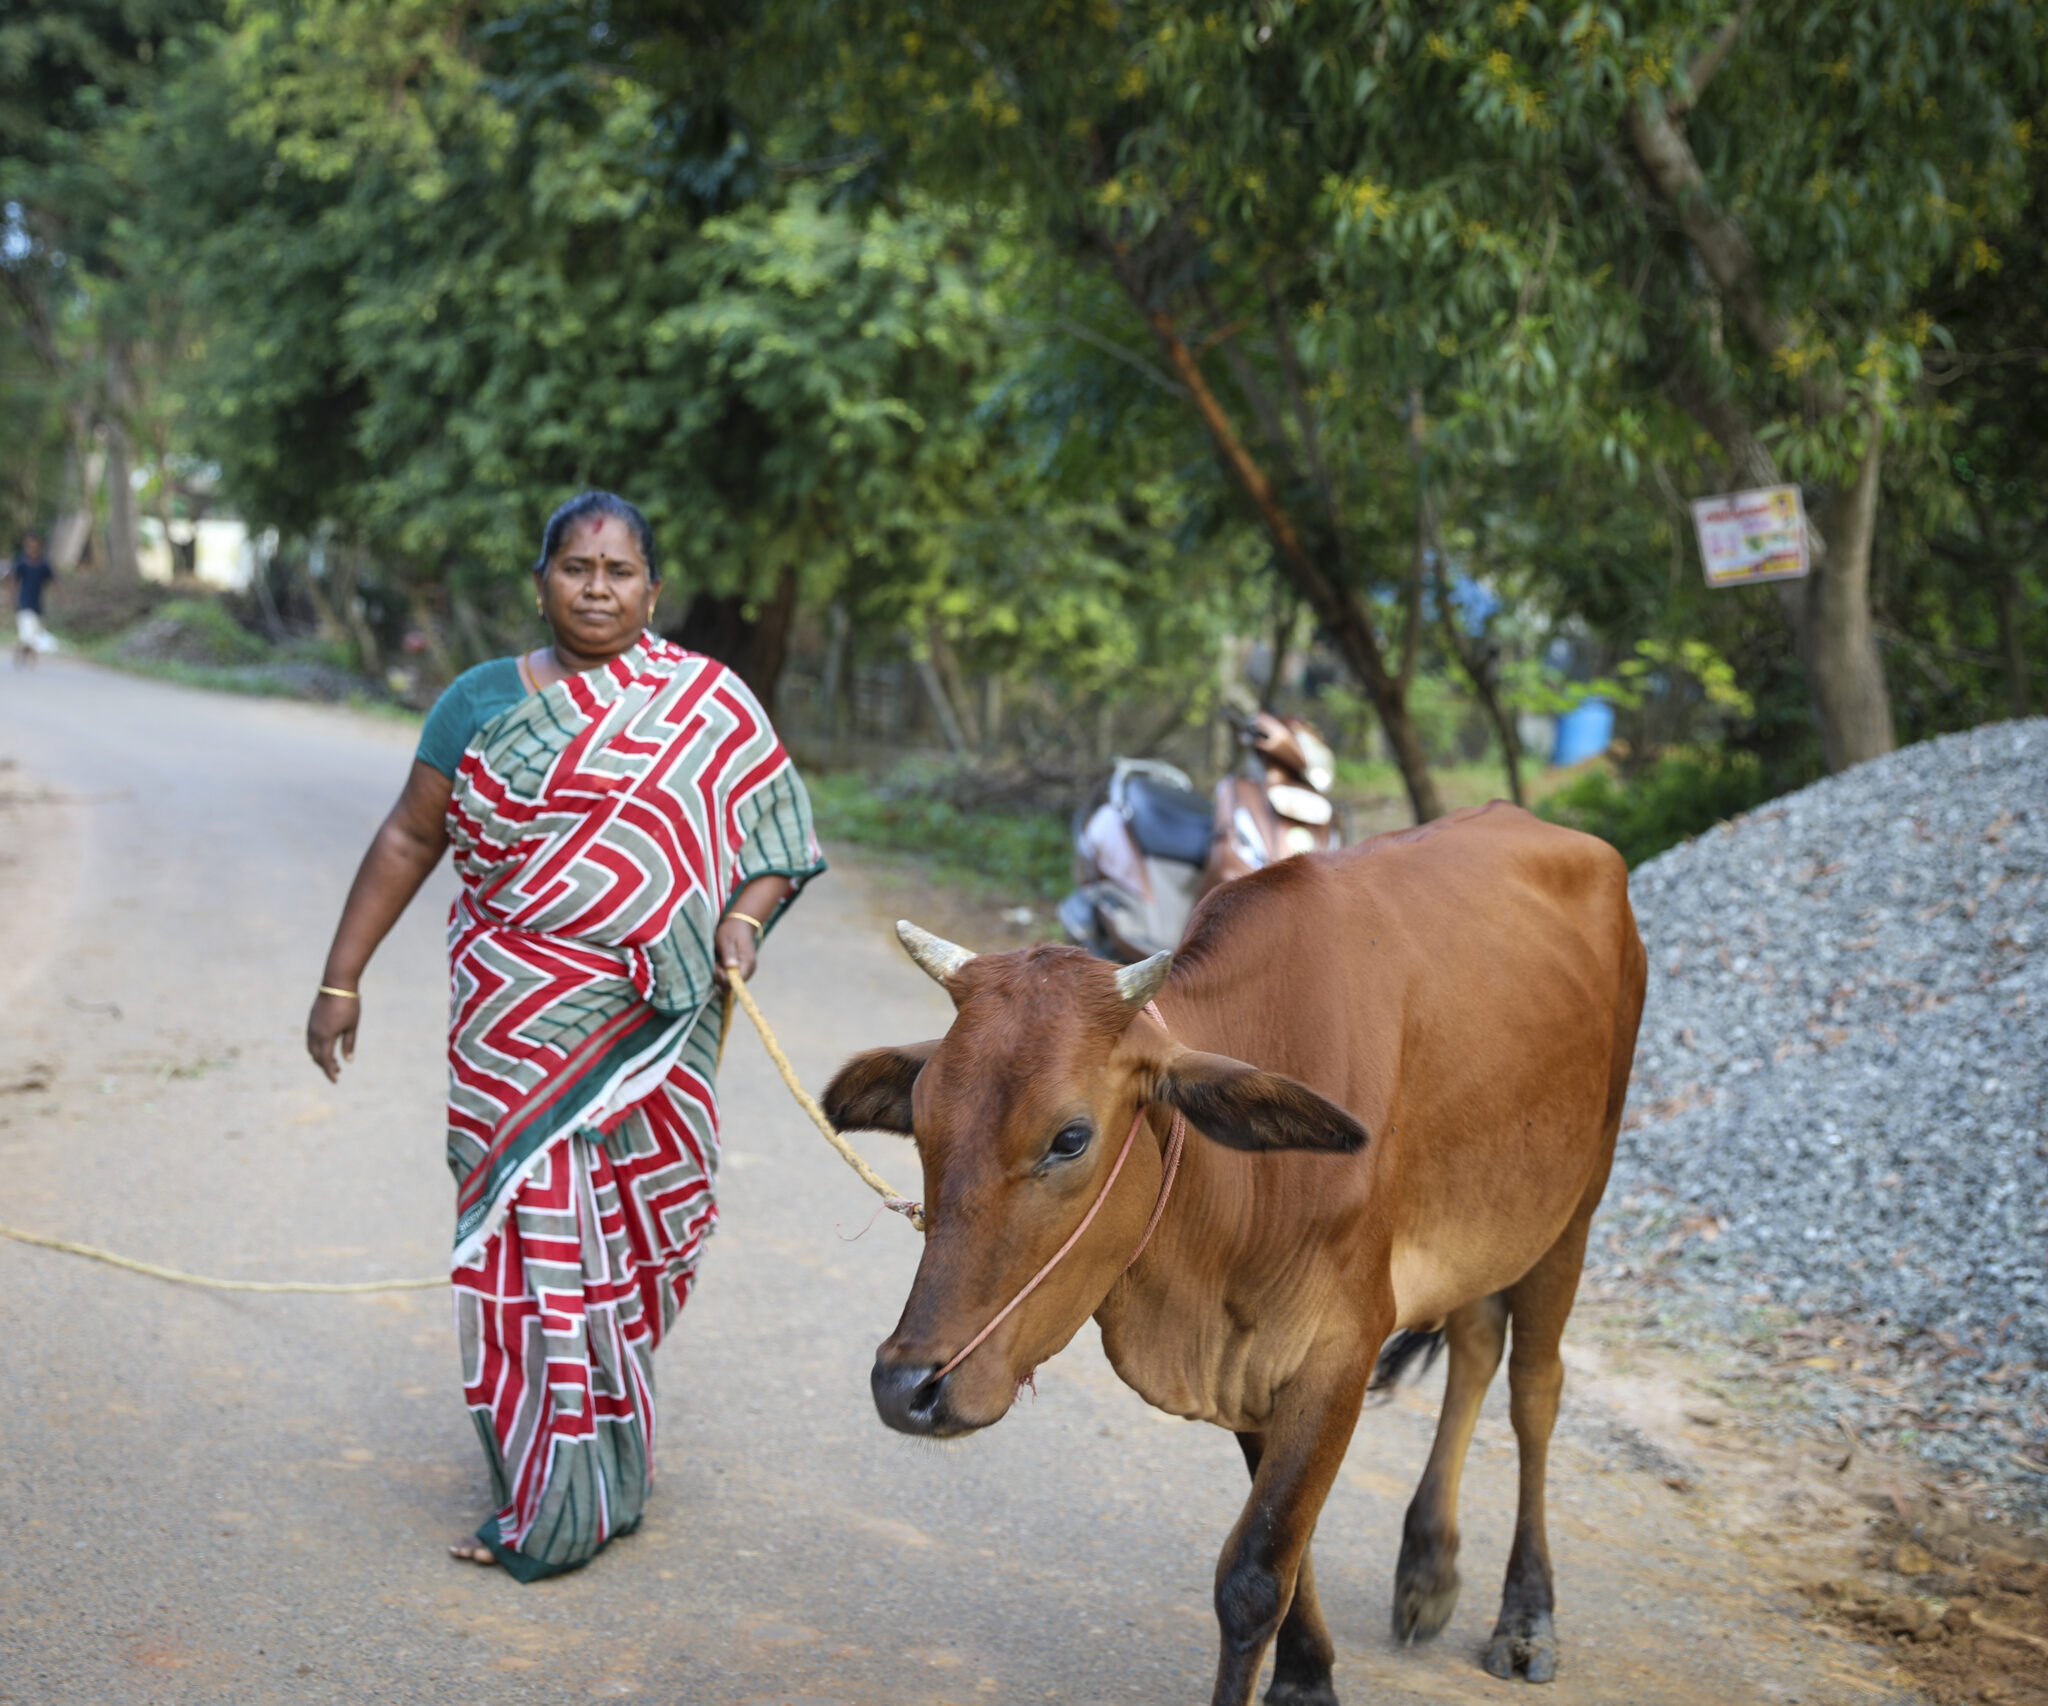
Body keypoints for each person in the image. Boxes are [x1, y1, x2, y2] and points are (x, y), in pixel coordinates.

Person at [306, 491, 824, 1581]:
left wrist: (742, 914)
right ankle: (548, 1498)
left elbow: (778, 832)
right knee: (530, 1249)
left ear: (652, 587)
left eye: (619, 570)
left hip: (656, 1037)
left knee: (639, 1250)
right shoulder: (479, 701)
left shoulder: (706, 702)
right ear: (538, 579)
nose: (597, 587)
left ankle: (605, 1466)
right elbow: (410, 833)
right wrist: (339, 976)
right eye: (575, 567)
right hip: (516, 1027)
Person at [8, 532, 57, 665]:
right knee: (28, 634)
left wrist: (60, 596)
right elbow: (14, 580)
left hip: (38, 604)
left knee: (34, 635)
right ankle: (32, 661)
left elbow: (52, 581)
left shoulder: (43, 564)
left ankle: (19, 653)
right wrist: (13, 598)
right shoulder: (22, 562)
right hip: (24, 603)